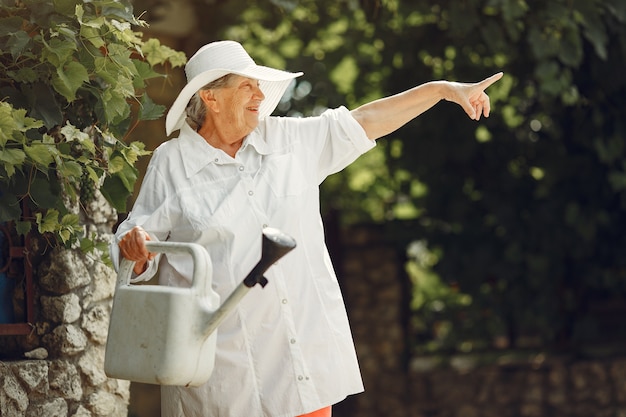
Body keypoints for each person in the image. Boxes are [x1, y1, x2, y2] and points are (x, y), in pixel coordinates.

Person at [113, 40, 502, 417]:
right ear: (211, 98)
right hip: (224, 375)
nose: (259, 96)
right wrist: (139, 247)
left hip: (299, 360)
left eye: (259, 86)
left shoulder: (287, 140)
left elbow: (365, 121)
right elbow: (138, 244)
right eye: (246, 85)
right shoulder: (173, 161)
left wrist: (441, 91)